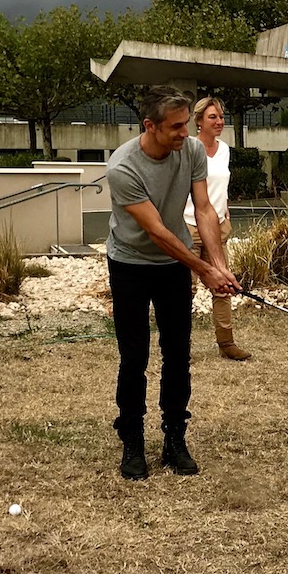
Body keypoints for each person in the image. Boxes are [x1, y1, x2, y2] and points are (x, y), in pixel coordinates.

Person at [106, 85, 240, 481]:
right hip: (130, 263)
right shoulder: (123, 168)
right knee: (135, 357)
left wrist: (218, 265)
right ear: (150, 125)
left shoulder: (192, 151)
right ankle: (131, 439)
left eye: (187, 124)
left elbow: (203, 209)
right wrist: (204, 269)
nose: (186, 133)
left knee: (178, 353)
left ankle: (174, 439)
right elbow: (158, 233)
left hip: (172, 267)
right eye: (177, 126)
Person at [183, 96, 250, 361]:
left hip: (218, 226)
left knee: (223, 286)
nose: (219, 122)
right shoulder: (188, 148)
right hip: (189, 226)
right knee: (184, 290)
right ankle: (180, 344)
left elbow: (221, 187)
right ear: (199, 121)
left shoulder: (224, 149)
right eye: (213, 117)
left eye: (221, 117)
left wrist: (226, 214)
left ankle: (226, 343)